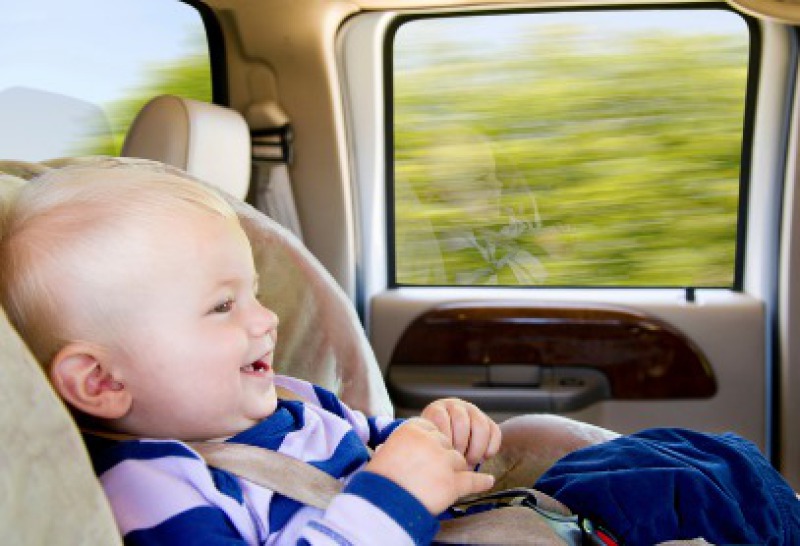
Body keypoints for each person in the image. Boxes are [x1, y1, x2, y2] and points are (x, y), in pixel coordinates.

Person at [1, 162, 798, 546]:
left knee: (704, 460)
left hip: (483, 519)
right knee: (688, 484)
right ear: (101, 381)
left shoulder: (291, 400)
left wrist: (437, 431)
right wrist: (393, 496)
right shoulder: (154, 489)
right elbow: (381, 491)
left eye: (253, 292)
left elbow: (381, 440)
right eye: (222, 307)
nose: (266, 320)